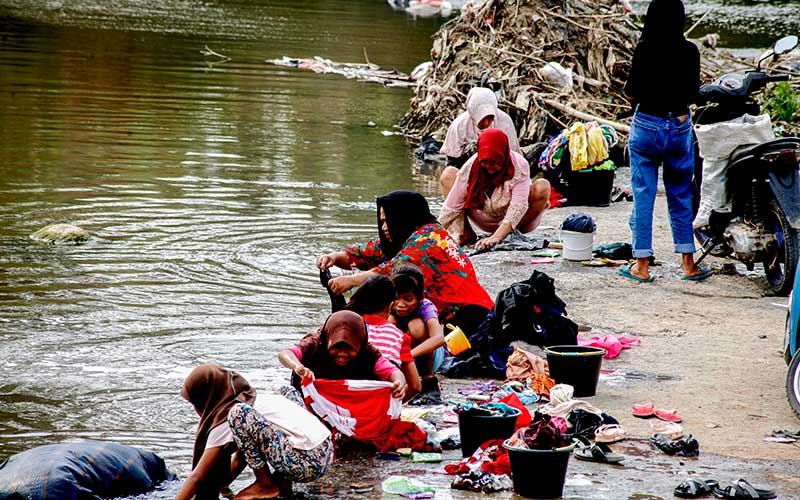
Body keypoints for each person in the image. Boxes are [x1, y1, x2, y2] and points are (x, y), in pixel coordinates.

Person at [315, 191, 494, 341]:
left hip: (470, 317)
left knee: (409, 325)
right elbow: (367, 252)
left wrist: (352, 280)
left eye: (388, 221)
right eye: (382, 222)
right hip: (457, 313)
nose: (384, 227)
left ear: (402, 218)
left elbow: (391, 270)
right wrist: (334, 257)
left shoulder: (427, 240)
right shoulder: (413, 234)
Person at [621, 0, 709, 283]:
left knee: (644, 195)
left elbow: (631, 94)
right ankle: (688, 264)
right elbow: (695, 94)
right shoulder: (690, 51)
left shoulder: (645, 49)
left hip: (647, 124)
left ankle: (642, 265)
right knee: (681, 193)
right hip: (680, 126)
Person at [176, 364, 333, 500]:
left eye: (195, 403)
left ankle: (265, 484)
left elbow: (196, 477)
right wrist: (224, 487)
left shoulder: (231, 414)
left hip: (305, 463)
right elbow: (243, 457)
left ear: (207, 400)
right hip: (326, 452)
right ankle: (283, 483)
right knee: (284, 391)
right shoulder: (255, 398)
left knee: (238, 414)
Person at [439, 128, 551, 250]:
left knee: (543, 186)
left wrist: (496, 237)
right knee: (449, 174)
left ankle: (507, 232)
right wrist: (431, 231)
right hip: (483, 217)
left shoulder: (520, 166)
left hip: (518, 222)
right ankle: (465, 233)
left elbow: (518, 207)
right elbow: (451, 207)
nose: (489, 167)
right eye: (485, 162)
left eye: (494, 163)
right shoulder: (471, 166)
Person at [278, 310, 408, 401]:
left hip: (348, 399)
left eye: (349, 349)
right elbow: (286, 354)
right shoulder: (315, 343)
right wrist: (298, 367)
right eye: (337, 347)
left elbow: (392, 371)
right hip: (312, 397)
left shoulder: (368, 352)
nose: (342, 354)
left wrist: (399, 383)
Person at [343, 274, 422, 402]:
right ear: (390, 306)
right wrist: (394, 402)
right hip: (378, 403)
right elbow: (415, 386)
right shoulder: (399, 336)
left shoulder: (347, 327)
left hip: (346, 396)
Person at [390, 263, 445, 404]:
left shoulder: (426, 307)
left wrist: (409, 355)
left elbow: (439, 339)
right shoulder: (388, 306)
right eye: (396, 298)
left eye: (408, 299)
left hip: (427, 358)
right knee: (389, 321)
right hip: (401, 361)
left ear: (420, 297)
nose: (400, 304)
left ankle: (428, 380)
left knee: (416, 326)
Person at [439, 87, 521, 170]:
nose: (486, 123)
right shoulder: (459, 125)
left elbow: (513, 154)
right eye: (482, 119)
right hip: (468, 169)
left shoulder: (504, 121)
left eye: (490, 118)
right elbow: (452, 160)